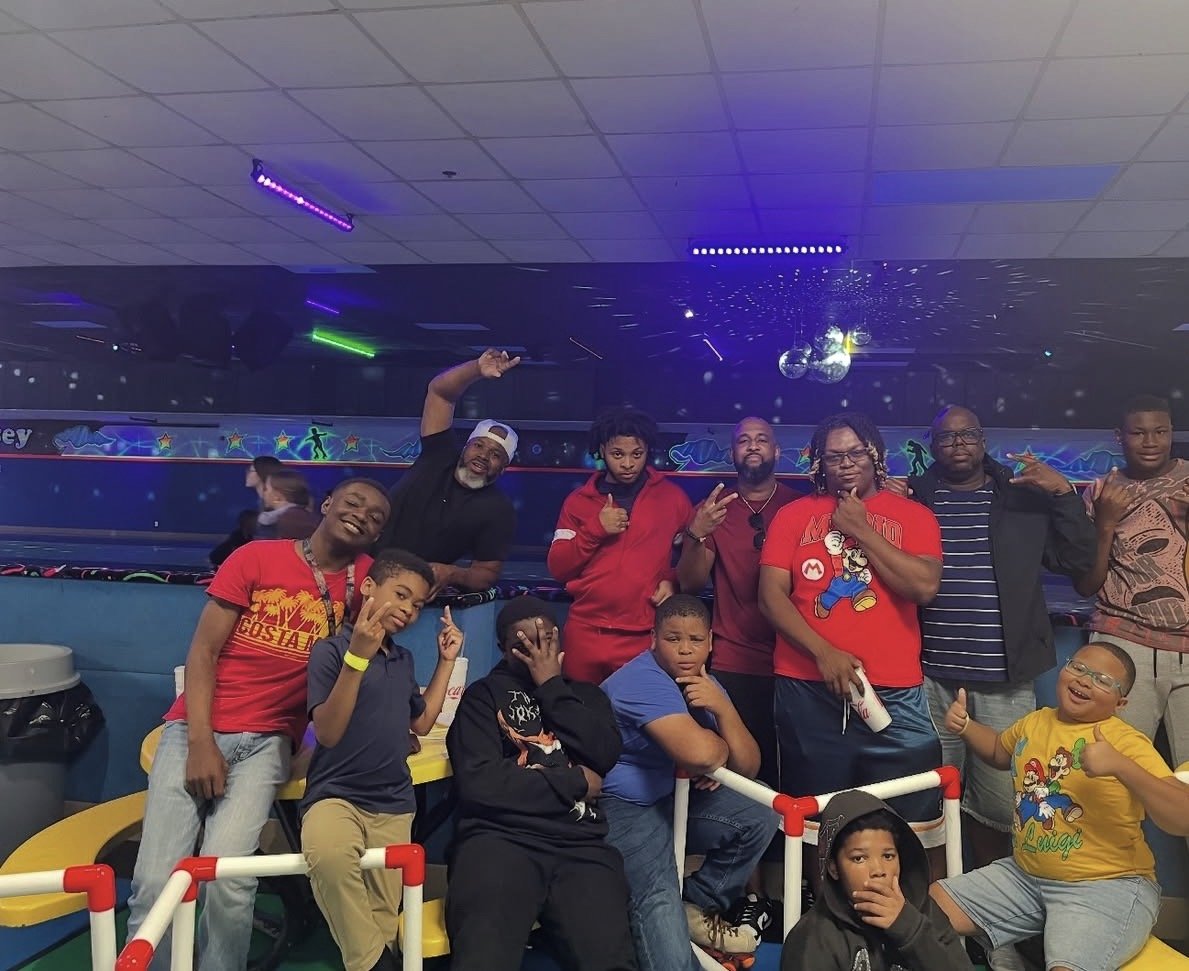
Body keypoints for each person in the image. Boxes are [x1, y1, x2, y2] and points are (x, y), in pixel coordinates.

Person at [125, 478, 390, 971]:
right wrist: (202, 742)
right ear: (327, 504)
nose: (363, 516)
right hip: (194, 730)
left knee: (231, 878)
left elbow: (398, 610)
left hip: (270, 741)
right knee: (157, 880)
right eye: (354, 503)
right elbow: (203, 651)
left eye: (376, 517)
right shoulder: (256, 558)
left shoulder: (366, 582)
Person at [904, 406, 1096, 971]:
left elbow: (1080, 562)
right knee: (929, 810)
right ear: (933, 444)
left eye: (967, 435)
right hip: (928, 676)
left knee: (1001, 812)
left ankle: (1000, 936)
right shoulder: (914, 497)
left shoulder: (1022, 495)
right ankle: (933, 930)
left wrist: (1063, 493)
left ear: (982, 440)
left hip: (1003, 681)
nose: (957, 444)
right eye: (945, 437)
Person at [758, 413, 944, 877]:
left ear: (876, 456)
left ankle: (907, 928)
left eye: (856, 453)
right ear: (818, 462)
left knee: (908, 819)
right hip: (807, 690)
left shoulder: (914, 516)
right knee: (817, 821)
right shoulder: (792, 516)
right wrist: (824, 652)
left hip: (894, 690)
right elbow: (770, 597)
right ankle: (824, 926)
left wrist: (860, 528)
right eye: (833, 455)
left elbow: (923, 587)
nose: (845, 464)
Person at [930, 641, 1189, 971]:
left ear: (1120, 702)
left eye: (1102, 680)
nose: (1084, 680)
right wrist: (966, 726)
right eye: (1078, 668)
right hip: (1025, 877)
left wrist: (1121, 766)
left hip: (1106, 886)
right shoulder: (1036, 722)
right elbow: (999, 750)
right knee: (930, 909)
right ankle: (1021, 945)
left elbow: (1183, 817)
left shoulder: (1125, 742)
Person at [445, 596, 638, 971]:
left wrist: (551, 686)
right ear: (503, 648)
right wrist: (574, 781)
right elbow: (480, 783)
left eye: (547, 639)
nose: (538, 650)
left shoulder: (586, 697)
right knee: (482, 960)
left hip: (580, 845)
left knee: (611, 961)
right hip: (499, 840)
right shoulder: (483, 697)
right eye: (524, 643)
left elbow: (604, 752)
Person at [301, 549, 462, 971]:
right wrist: (358, 657)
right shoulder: (331, 652)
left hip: (393, 804)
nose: (409, 610)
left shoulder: (403, 660)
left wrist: (445, 663)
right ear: (369, 587)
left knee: (381, 920)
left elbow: (423, 722)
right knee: (331, 858)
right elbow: (329, 733)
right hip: (334, 796)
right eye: (402, 595)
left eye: (417, 605)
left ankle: (373, 963)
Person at [600, 595, 777, 971]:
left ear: (710, 642)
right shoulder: (640, 679)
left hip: (675, 798)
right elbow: (701, 755)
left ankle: (697, 904)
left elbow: (748, 767)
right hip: (624, 806)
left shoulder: (705, 684)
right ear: (653, 639)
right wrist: (713, 755)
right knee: (656, 897)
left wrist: (723, 709)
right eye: (673, 638)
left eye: (695, 640)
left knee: (760, 807)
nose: (684, 650)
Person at [677, 416, 799, 926]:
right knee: (738, 779)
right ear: (733, 451)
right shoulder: (713, 507)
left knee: (788, 778)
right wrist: (696, 535)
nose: (753, 447)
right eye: (743, 440)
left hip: (795, 662)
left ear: (776, 448)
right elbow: (687, 583)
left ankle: (789, 890)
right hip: (733, 661)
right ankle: (744, 896)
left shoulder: (799, 502)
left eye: (762, 439)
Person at [1074, 394, 1189, 853]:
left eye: (1160, 431)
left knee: (1186, 785)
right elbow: (1087, 582)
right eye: (1138, 432)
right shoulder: (1100, 493)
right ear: (1119, 437)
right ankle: (1111, 900)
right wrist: (1105, 524)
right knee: (1110, 780)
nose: (1150, 442)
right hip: (1123, 648)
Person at [549, 407, 692, 683]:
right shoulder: (578, 501)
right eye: (618, 454)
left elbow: (693, 555)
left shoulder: (672, 498)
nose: (628, 463)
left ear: (647, 450)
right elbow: (558, 567)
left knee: (637, 721)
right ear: (602, 450)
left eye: (636, 454)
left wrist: (673, 581)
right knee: (580, 716)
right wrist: (596, 529)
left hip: (643, 634)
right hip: (586, 631)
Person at [374, 348, 520, 594]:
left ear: (503, 469)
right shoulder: (438, 455)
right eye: (479, 445)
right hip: (359, 564)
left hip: (409, 592)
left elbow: (486, 573)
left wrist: (451, 573)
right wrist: (476, 369)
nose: (484, 455)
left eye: (496, 455)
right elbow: (440, 393)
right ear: (466, 447)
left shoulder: (498, 510)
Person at [780, 790, 974, 971]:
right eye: (859, 858)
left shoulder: (923, 909)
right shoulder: (813, 938)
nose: (878, 871)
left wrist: (908, 928)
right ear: (834, 868)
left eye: (888, 856)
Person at [256, 468, 320, 540]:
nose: (263, 493)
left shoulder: (292, 519)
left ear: (277, 496)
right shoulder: (295, 516)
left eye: (266, 489)